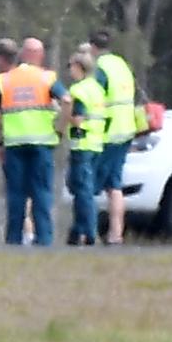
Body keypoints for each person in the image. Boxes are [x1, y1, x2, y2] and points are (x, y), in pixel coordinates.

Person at [0, 36, 72, 246]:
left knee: (16, 194)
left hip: (14, 145)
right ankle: (44, 239)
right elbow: (67, 100)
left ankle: (13, 240)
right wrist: (60, 129)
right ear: (38, 55)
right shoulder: (47, 78)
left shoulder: (6, 79)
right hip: (42, 144)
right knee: (41, 192)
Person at [90, 29, 138, 245]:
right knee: (114, 185)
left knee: (89, 186)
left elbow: (94, 97)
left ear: (92, 47)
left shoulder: (100, 68)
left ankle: (86, 232)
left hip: (107, 131)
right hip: (126, 129)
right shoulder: (122, 65)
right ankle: (116, 233)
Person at [65, 51, 105, 246]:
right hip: (97, 143)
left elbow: (78, 120)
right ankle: (77, 230)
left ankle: (89, 232)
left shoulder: (78, 90)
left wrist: (62, 115)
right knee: (84, 189)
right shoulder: (97, 89)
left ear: (79, 67)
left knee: (82, 191)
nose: (69, 70)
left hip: (83, 145)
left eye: (71, 66)